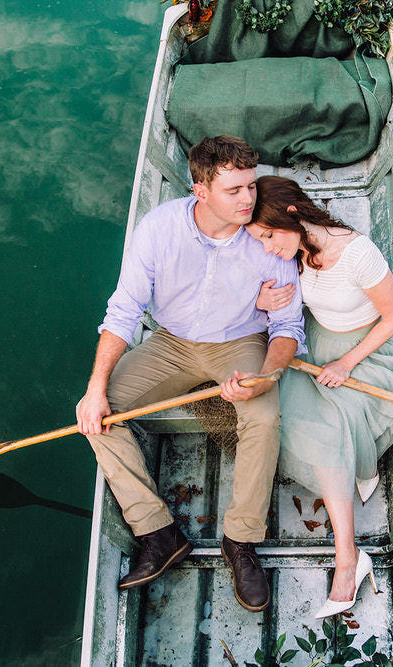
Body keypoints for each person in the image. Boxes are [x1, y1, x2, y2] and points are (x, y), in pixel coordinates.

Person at [75, 136, 305, 613]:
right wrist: (95, 389)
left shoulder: (267, 236)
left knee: (262, 418)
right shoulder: (159, 228)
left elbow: (286, 328)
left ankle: (240, 542)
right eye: (235, 191)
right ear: (201, 192)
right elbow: (123, 310)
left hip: (240, 342)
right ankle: (158, 533)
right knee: (99, 412)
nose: (248, 199)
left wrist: (267, 376)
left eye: (250, 186)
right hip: (170, 342)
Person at [248, 175, 393, 619]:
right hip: (316, 345)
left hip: (368, 350)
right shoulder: (295, 251)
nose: (266, 247)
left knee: (333, 424)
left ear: (292, 214)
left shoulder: (358, 253)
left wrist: (346, 365)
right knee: (286, 410)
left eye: (267, 235)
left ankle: (348, 559)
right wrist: (263, 300)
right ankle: (356, 476)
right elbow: (295, 305)